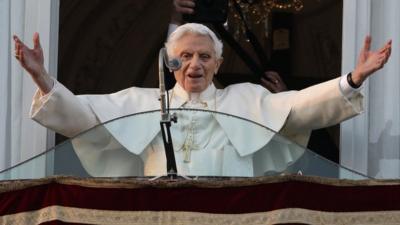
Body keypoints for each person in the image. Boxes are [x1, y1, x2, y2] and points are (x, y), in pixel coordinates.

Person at [13, 23, 391, 177]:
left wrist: (353, 79)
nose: (195, 64)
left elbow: (298, 108)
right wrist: (43, 78)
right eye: (186, 56)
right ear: (170, 62)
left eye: (205, 56)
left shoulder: (245, 99)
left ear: (218, 63)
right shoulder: (141, 101)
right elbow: (85, 117)